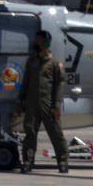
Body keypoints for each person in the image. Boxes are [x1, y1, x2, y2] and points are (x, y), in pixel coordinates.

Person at [17, 30, 68, 173]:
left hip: (48, 103)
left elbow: (60, 85)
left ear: (45, 43)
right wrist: (20, 101)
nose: (36, 43)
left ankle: (63, 162)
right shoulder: (32, 61)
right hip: (32, 103)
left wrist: (56, 106)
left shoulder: (55, 64)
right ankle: (27, 162)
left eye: (38, 40)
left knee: (56, 134)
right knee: (30, 133)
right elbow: (25, 82)